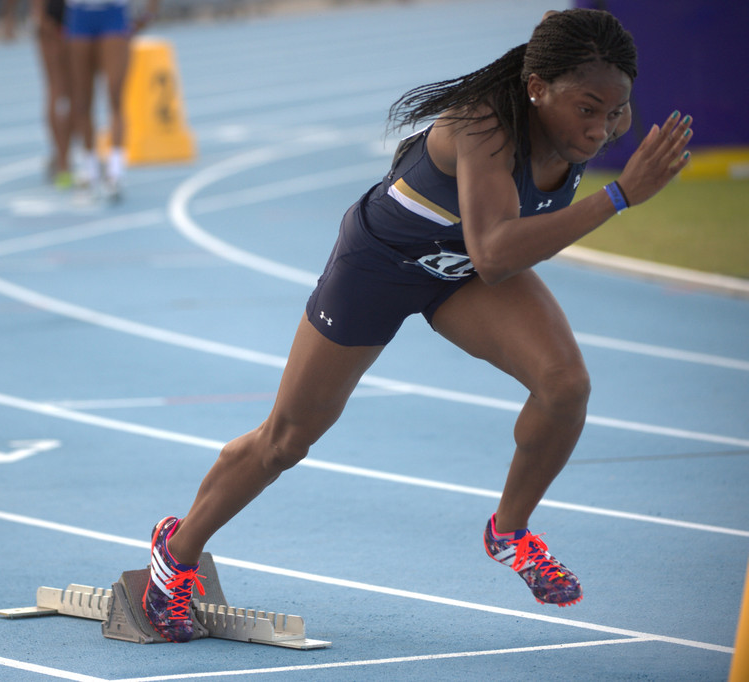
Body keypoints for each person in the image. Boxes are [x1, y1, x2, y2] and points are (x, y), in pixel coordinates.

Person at [140, 9, 694, 642]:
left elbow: (486, 255)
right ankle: (175, 555)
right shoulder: (484, 123)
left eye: (614, 113)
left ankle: (509, 531)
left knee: (565, 385)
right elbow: (495, 251)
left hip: (460, 271)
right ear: (537, 87)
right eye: (587, 110)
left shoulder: (592, 113)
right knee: (287, 440)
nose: (600, 131)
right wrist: (618, 196)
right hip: (383, 264)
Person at [65, 0, 160, 201]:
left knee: (115, 95)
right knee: (82, 100)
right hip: (80, 15)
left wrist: (148, 13)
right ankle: (89, 168)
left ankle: (115, 171)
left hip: (113, 14)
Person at [33, 0, 74, 188]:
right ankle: (63, 160)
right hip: (66, 15)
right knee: (64, 92)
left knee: (59, 90)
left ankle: (63, 158)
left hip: (68, 15)